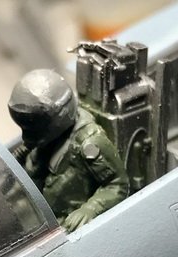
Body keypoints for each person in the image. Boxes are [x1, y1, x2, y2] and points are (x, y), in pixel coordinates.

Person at [8, 69, 129, 232]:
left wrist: (91, 208)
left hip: (62, 222)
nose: (26, 137)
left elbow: (118, 184)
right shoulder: (47, 140)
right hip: (36, 212)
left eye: (32, 128)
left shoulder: (89, 143)